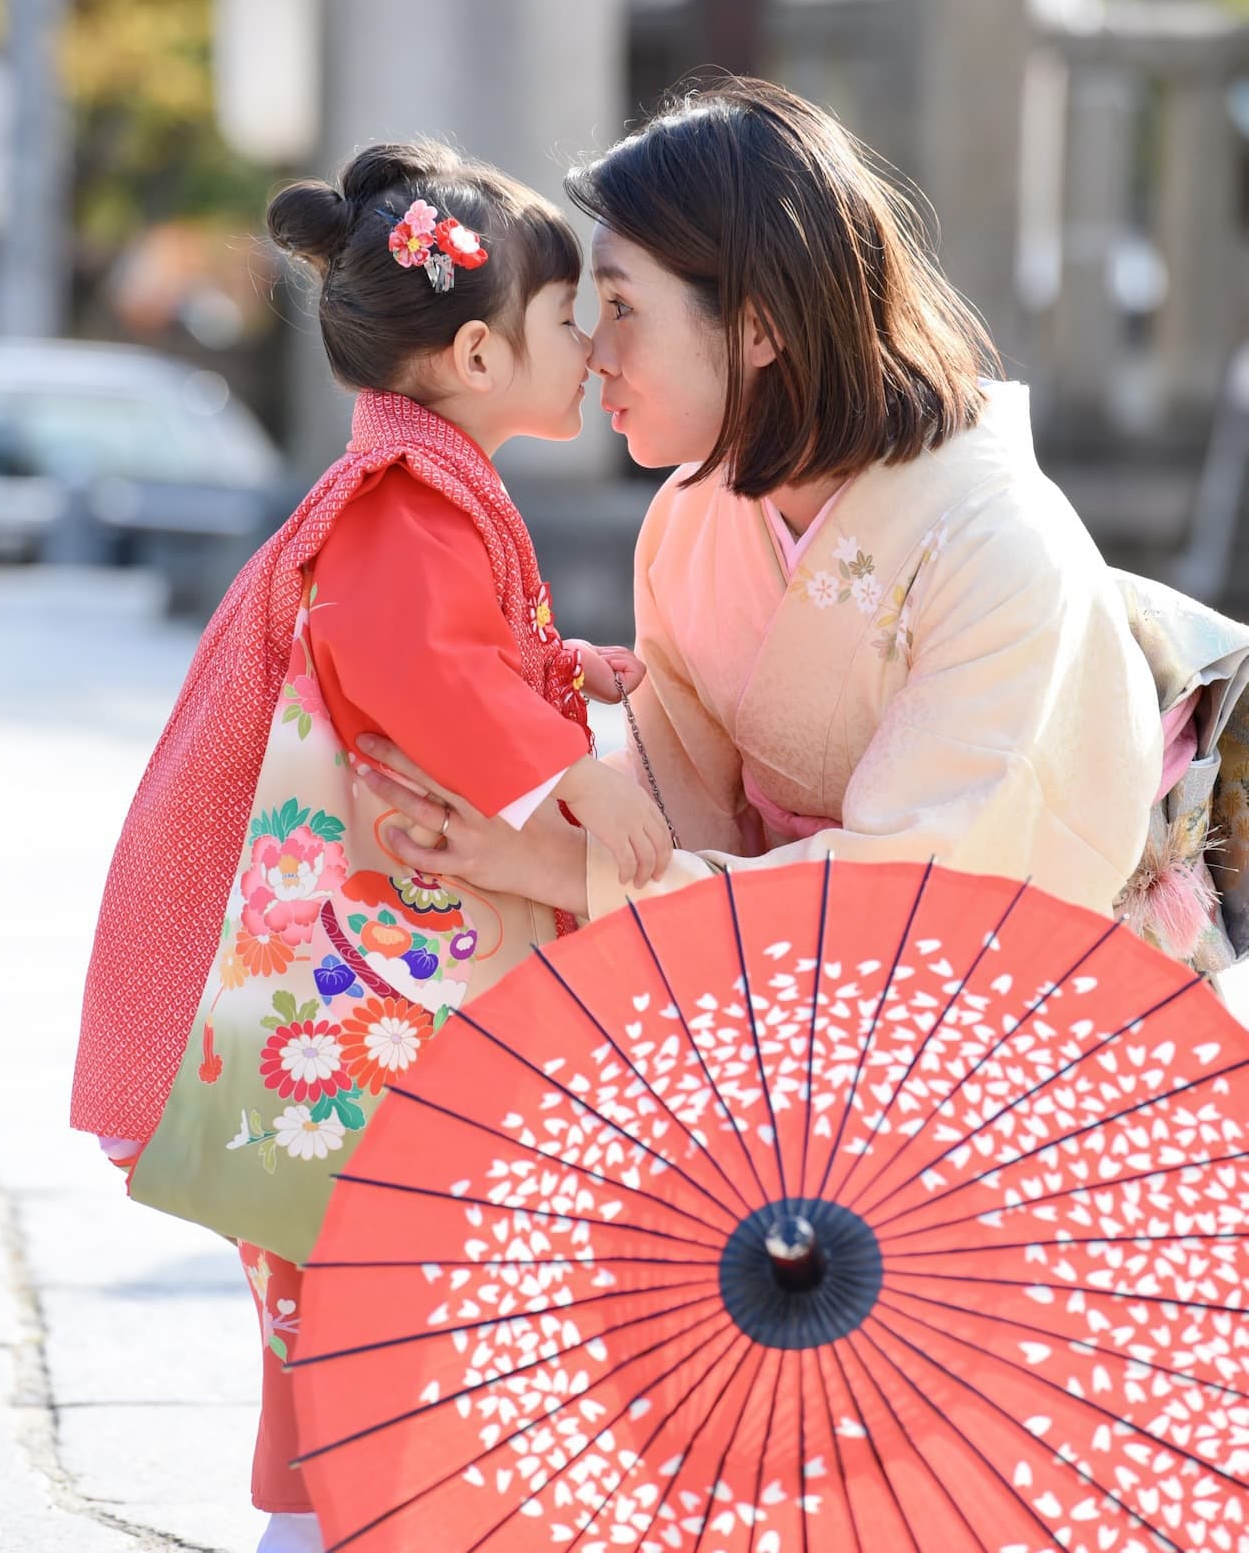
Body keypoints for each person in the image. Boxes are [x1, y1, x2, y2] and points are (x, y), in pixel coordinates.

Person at [70, 138, 668, 1553]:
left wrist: (558, 667)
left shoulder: (417, 478)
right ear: (472, 353)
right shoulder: (411, 497)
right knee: (374, 1240)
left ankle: (337, 1518)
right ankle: (341, 1524)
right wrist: (575, 788)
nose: (591, 347)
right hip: (368, 966)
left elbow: (440, 650)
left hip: (370, 948)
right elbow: (406, 659)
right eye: (569, 318)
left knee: (360, 1255)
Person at [356, 77, 1168, 944]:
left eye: (623, 306)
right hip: (771, 992)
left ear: (759, 327)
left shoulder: (999, 548)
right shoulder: (692, 515)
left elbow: (916, 900)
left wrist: (561, 869)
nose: (597, 353)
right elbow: (677, 821)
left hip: (982, 993)